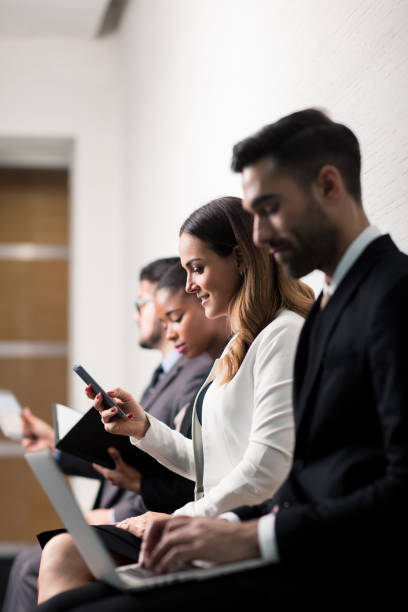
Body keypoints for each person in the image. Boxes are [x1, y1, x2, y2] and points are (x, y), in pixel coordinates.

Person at [36, 108, 408, 611]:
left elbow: (289, 469)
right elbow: (272, 470)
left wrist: (228, 530)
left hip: (312, 558)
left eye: (270, 210)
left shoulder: (386, 295)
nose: (259, 237)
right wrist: (152, 436)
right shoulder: (324, 308)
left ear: (328, 185)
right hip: (272, 534)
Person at [36, 195, 314, 604]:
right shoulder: (240, 344)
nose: (188, 286)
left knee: (69, 583)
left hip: (229, 533)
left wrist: (176, 521)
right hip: (202, 524)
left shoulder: (283, 336)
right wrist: (143, 428)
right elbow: (205, 463)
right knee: (62, 548)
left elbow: (266, 469)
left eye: (197, 269)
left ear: (240, 259)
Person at [2, 256, 215, 612]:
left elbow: (183, 468)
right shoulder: (165, 375)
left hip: (158, 511)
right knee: (38, 557)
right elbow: (132, 454)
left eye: (141, 304)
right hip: (144, 506)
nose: (139, 315)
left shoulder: (197, 372)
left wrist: (121, 515)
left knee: (31, 563)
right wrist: (57, 446)